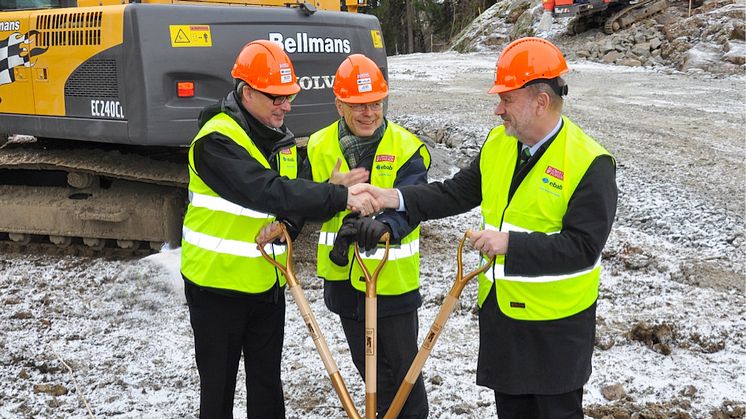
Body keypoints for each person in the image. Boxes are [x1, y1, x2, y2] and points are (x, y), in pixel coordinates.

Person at [351, 37, 618, 418]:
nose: (498, 109)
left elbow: (582, 248)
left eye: (507, 99)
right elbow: (455, 193)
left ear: (540, 102)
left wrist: (509, 244)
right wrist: (392, 197)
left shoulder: (590, 163)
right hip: (503, 322)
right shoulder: (499, 143)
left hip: (555, 333)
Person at [180, 40, 378, 418]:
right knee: (218, 391)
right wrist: (338, 197)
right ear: (247, 92)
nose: (286, 106)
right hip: (216, 287)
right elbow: (265, 190)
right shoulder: (215, 141)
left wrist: (289, 222)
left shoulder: (283, 141)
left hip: (267, 284)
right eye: (276, 98)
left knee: (268, 386)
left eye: (288, 97)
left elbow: (293, 196)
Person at [305, 54, 431, 418]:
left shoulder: (406, 147)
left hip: (390, 283)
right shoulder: (317, 146)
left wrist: (385, 225)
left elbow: (414, 203)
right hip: (344, 281)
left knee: (404, 380)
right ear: (339, 103)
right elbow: (305, 200)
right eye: (359, 105)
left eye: (375, 103)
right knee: (371, 375)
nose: (369, 113)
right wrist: (329, 197)